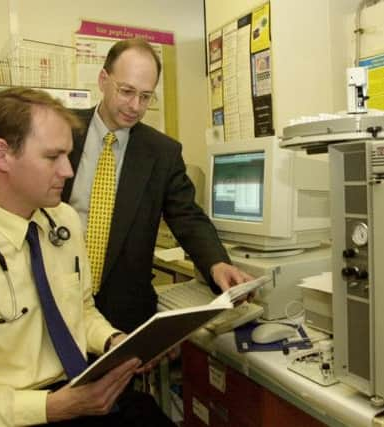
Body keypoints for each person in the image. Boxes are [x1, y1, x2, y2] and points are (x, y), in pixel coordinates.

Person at [0, 87, 174, 426]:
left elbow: (81, 309)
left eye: (68, 156)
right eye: (52, 157)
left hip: (82, 391)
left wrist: (114, 342)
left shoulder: (63, 221)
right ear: (1, 155)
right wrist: (53, 407)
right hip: (14, 415)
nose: (68, 171)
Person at [63, 38, 253, 333]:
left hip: (123, 313)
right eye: (126, 91)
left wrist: (217, 264)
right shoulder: (64, 132)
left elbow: (187, 216)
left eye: (146, 96)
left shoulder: (161, 153)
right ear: (103, 79)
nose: (135, 106)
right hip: (59, 301)